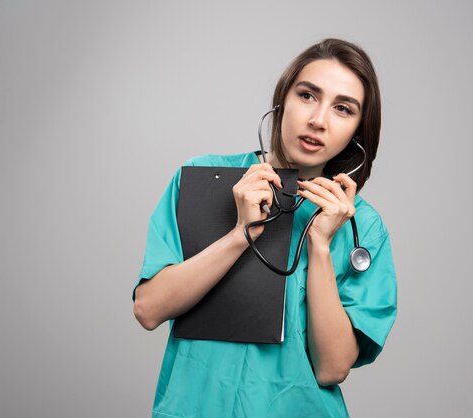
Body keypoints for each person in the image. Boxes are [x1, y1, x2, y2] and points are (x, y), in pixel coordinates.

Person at [133, 38, 397, 418]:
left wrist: (320, 245)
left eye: (343, 108)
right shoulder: (203, 180)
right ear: (282, 100)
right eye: (307, 95)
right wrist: (241, 233)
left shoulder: (362, 226)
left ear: (358, 129)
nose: (318, 120)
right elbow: (149, 309)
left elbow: (331, 367)